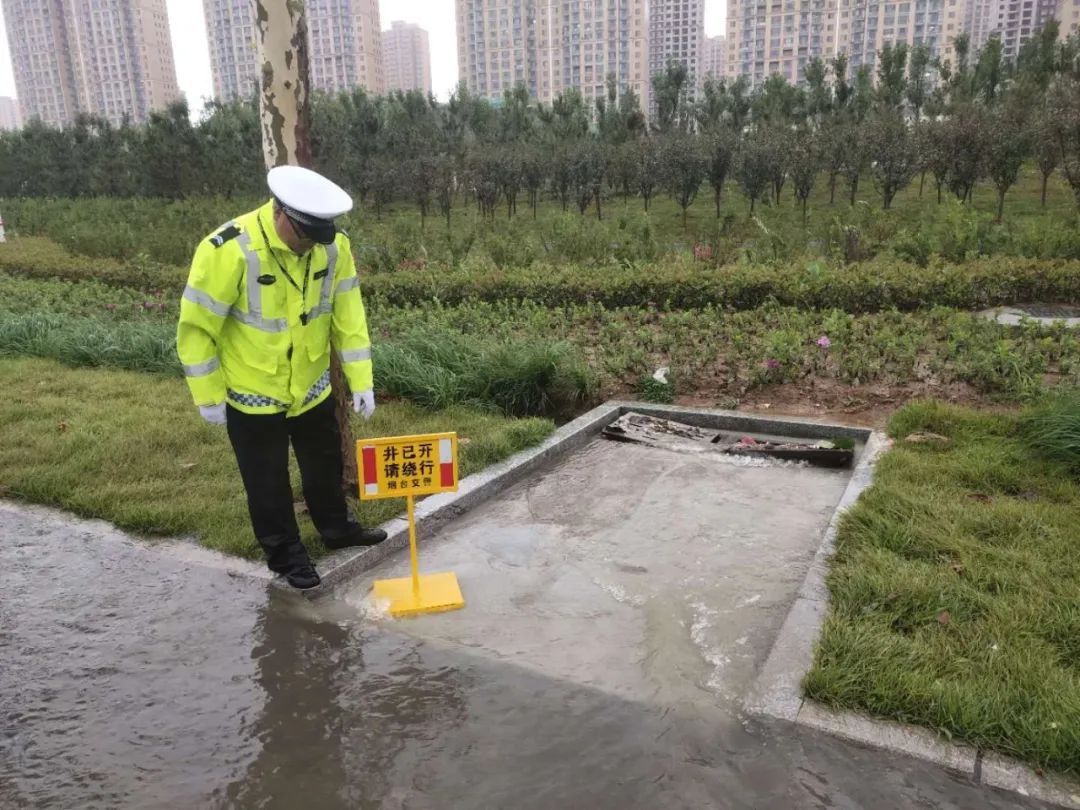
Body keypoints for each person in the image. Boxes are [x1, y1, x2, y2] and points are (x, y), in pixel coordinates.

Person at [177, 166, 387, 590]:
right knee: (267, 480)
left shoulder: (332, 248)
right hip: (253, 392)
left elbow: (348, 314)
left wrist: (360, 378)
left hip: (311, 387)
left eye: (318, 237)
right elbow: (197, 327)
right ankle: (285, 554)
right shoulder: (230, 249)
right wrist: (209, 394)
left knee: (323, 465)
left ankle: (336, 528)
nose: (310, 245)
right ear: (281, 215)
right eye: (304, 235)